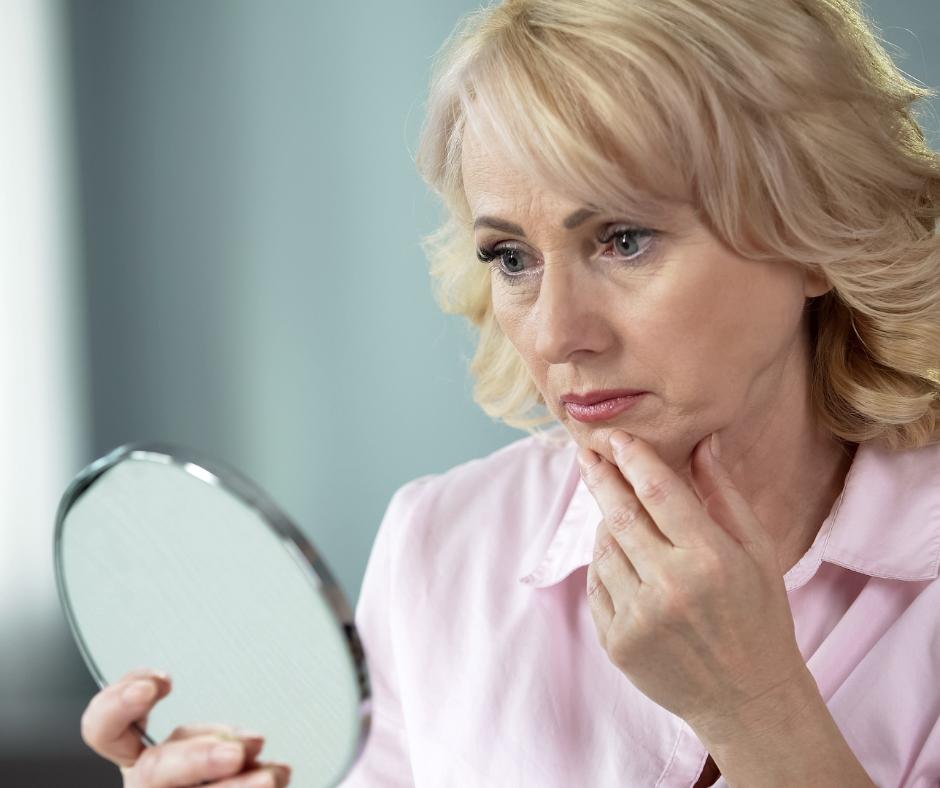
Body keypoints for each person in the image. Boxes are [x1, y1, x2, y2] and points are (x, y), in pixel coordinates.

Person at [80, 0, 940, 785]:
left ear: (822, 234)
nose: (559, 332)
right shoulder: (441, 546)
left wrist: (754, 707)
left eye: (625, 239)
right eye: (512, 258)